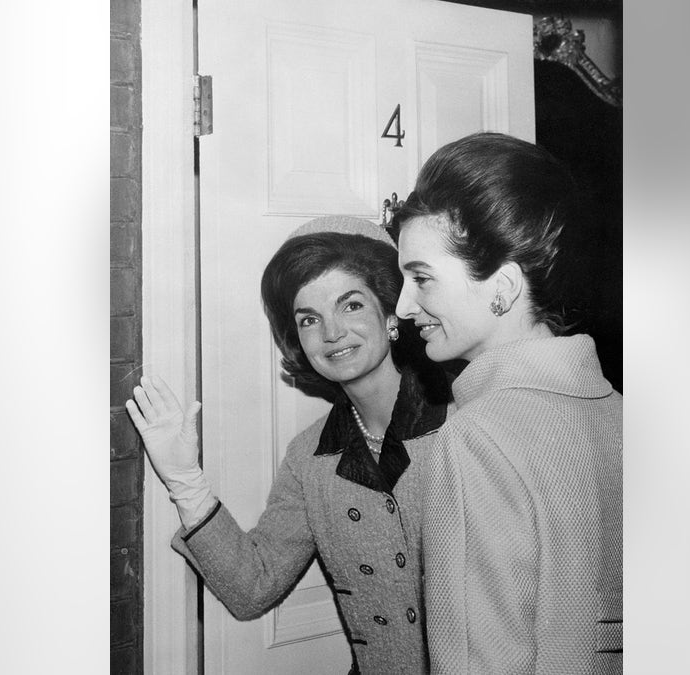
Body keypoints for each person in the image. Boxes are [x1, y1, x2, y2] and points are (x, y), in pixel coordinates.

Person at [126, 216, 451, 675]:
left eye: (352, 305)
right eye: (309, 319)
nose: (332, 332)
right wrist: (184, 480)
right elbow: (253, 587)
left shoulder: (463, 421)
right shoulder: (311, 457)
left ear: (391, 311)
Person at [392, 132, 623, 674]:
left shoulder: (478, 437)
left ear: (504, 286)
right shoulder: (622, 413)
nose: (404, 307)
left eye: (421, 278)